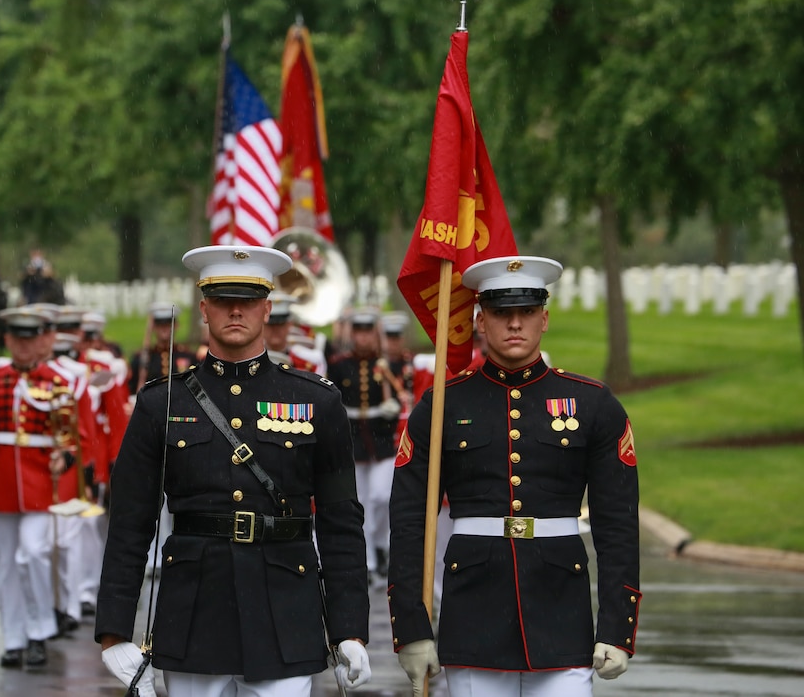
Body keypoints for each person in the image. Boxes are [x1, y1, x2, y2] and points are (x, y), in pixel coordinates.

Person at [96, 245, 372, 697]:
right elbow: (130, 522)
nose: (236, 310)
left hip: (286, 607)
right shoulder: (161, 403)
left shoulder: (318, 401)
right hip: (193, 612)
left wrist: (350, 629)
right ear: (204, 309)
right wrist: (113, 630)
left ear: (267, 308)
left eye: (248, 300)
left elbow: (342, 522)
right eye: (223, 300)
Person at [388, 256, 640, 697]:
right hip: (473, 617)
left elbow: (617, 524)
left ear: (545, 319)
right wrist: (411, 627)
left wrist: (618, 627)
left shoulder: (592, 404)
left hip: (562, 616)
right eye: (503, 313)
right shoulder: (444, 405)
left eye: (527, 313)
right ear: (480, 322)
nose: (515, 324)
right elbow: (409, 523)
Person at [0, 306, 88, 670]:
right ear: (7, 340)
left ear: (42, 341)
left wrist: (65, 458)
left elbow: (72, 438)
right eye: (17, 338)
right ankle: (14, 639)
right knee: (6, 565)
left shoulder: (57, 383)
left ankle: (39, 630)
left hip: (39, 484)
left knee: (33, 553)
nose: (23, 345)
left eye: (30, 338)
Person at [327, 307, 406, 581]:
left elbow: (401, 399)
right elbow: (332, 403)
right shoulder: (338, 365)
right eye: (358, 331)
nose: (363, 337)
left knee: (381, 496)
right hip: (353, 444)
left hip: (383, 444)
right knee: (360, 503)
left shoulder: (389, 365)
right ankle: (370, 562)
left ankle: (381, 545)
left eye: (368, 331)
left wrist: (392, 406)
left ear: (375, 334)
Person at [127, 301, 199, 395]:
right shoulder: (141, 358)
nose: (164, 328)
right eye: (160, 325)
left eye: (168, 324)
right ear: (153, 327)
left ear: (176, 325)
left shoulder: (188, 356)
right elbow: (133, 390)